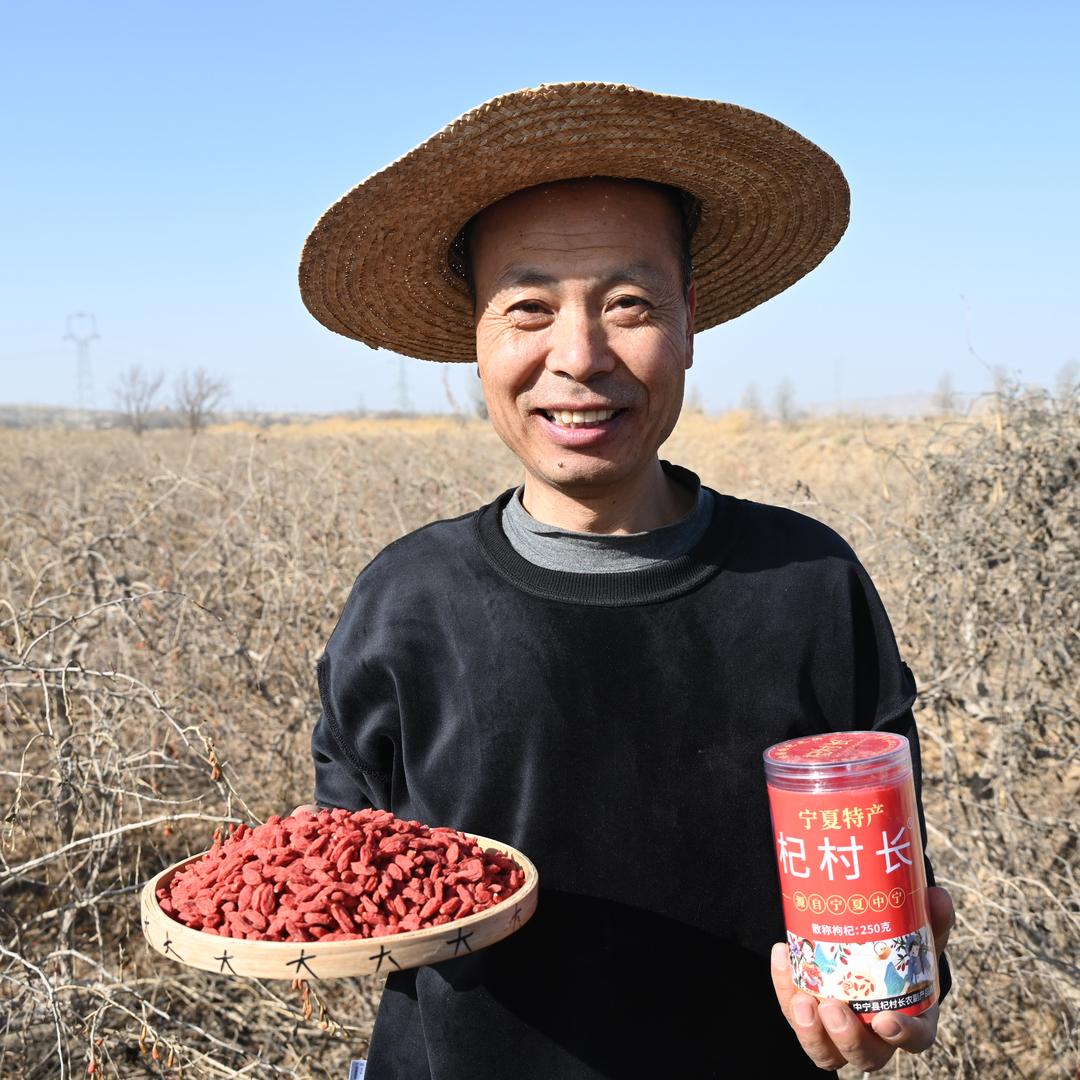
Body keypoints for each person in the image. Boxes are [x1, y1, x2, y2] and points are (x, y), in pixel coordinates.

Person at [299, 83, 953, 1078]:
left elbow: (885, 891)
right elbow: (352, 881)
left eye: (629, 304)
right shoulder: (405, 603)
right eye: (528, 309)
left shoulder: (809, 585)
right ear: (475, 342)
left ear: (689, 323)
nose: (580, 356)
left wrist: (894, 998)